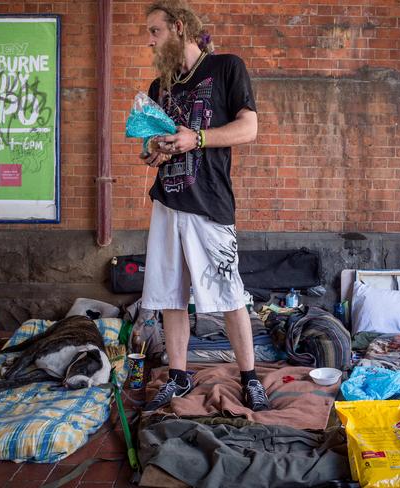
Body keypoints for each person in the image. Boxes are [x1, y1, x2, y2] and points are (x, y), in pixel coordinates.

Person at [140, 0, 271, 412]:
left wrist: (195, 138)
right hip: (168, 201)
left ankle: (250, 377)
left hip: (210, 202)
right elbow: (150, 144)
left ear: (179, 28)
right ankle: (178, 375)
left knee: (229, 293)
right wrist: (154, 150)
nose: (149, 41)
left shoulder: (227, 67)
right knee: (170, 295)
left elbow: (248, 128)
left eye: (155, 31)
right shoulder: (158, 86)